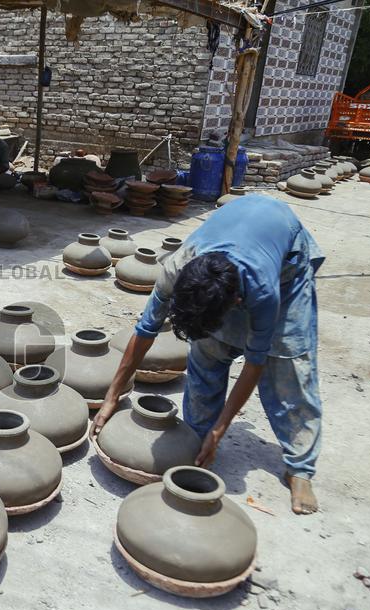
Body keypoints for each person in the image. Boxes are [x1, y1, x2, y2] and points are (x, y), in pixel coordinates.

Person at [92, 196, 325, 515]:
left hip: (285, 263)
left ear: (236, 302)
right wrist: (111, 397)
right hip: (234, 245)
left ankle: (300, 468)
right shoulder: (176, 268)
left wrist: (221, 430)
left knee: (287, 365)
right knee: (206, 353)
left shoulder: (263, 291)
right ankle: (197, 438)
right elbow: (145, 331)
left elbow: (254, 364)